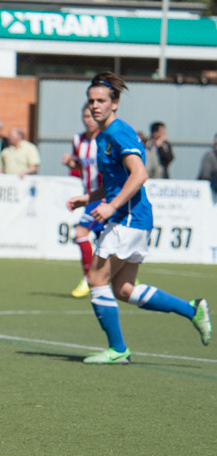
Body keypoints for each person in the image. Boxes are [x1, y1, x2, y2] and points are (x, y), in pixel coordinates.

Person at [66, 72, 210, 365]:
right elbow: (116, 180)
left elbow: (140, 174)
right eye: (91, 101)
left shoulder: (119, 132)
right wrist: (90, 197)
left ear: (114, 103)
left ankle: (118, 350)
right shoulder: (104, 135)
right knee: (123, 289)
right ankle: (192, 309)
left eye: (101, 101)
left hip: (128, 218)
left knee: (96, 278)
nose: (95, 106)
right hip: (130, 217)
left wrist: (110, 206)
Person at [61, 105, 102, 299]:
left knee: (81, 232)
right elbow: (78, 166)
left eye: (92, 116)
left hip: (105, 196)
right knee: (105, 237)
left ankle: (88, 278)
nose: (89, 119)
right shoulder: (78, 140)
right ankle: (120, 275)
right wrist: (70, 162)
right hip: (89, 195)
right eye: (86, 116)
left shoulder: (106, 140)